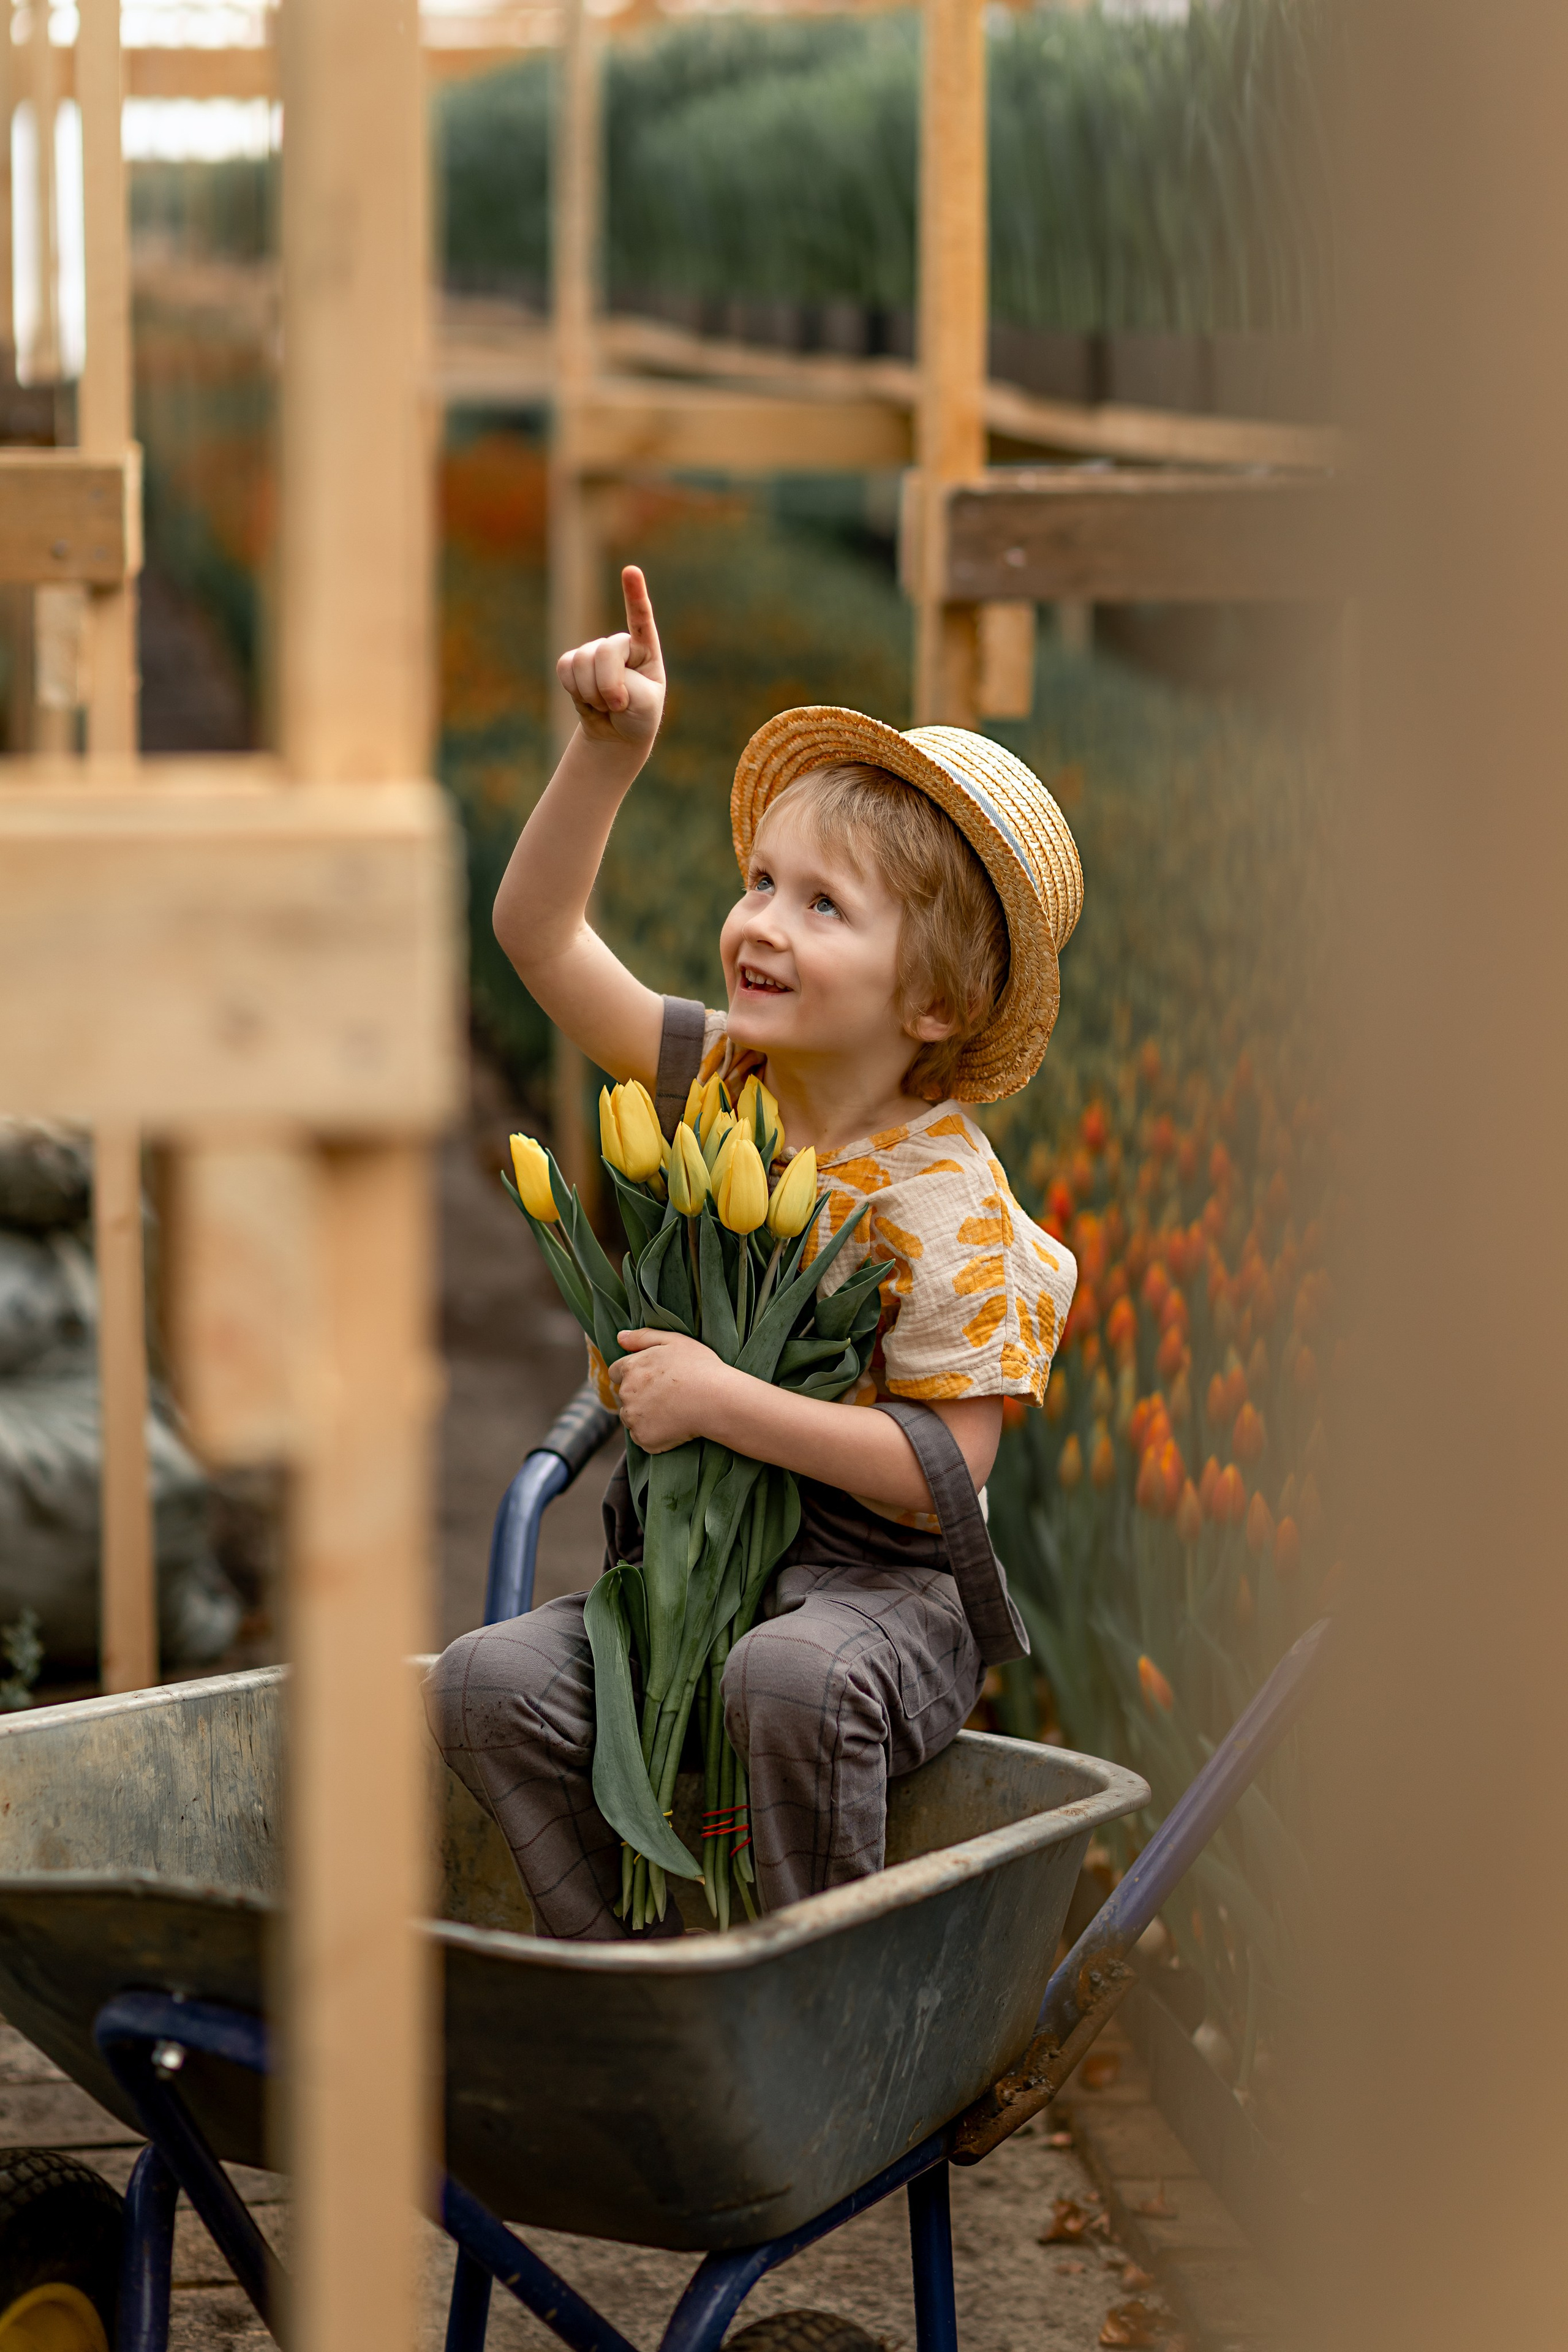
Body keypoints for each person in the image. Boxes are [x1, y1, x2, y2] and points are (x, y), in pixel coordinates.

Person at [424, 565, 1083, 1940]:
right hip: (691, 1577)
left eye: (822, 906)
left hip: (879, 1604)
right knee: (485, 1684)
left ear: (934, 1002)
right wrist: (607, 755)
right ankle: (626, 1980)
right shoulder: (727, 1081)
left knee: (787, 1684)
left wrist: (723, 1401)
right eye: (761, 882)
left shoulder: (949, 1204)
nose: (761, 923)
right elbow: (536, 939)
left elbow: (945, 1477)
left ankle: (811, 2006)